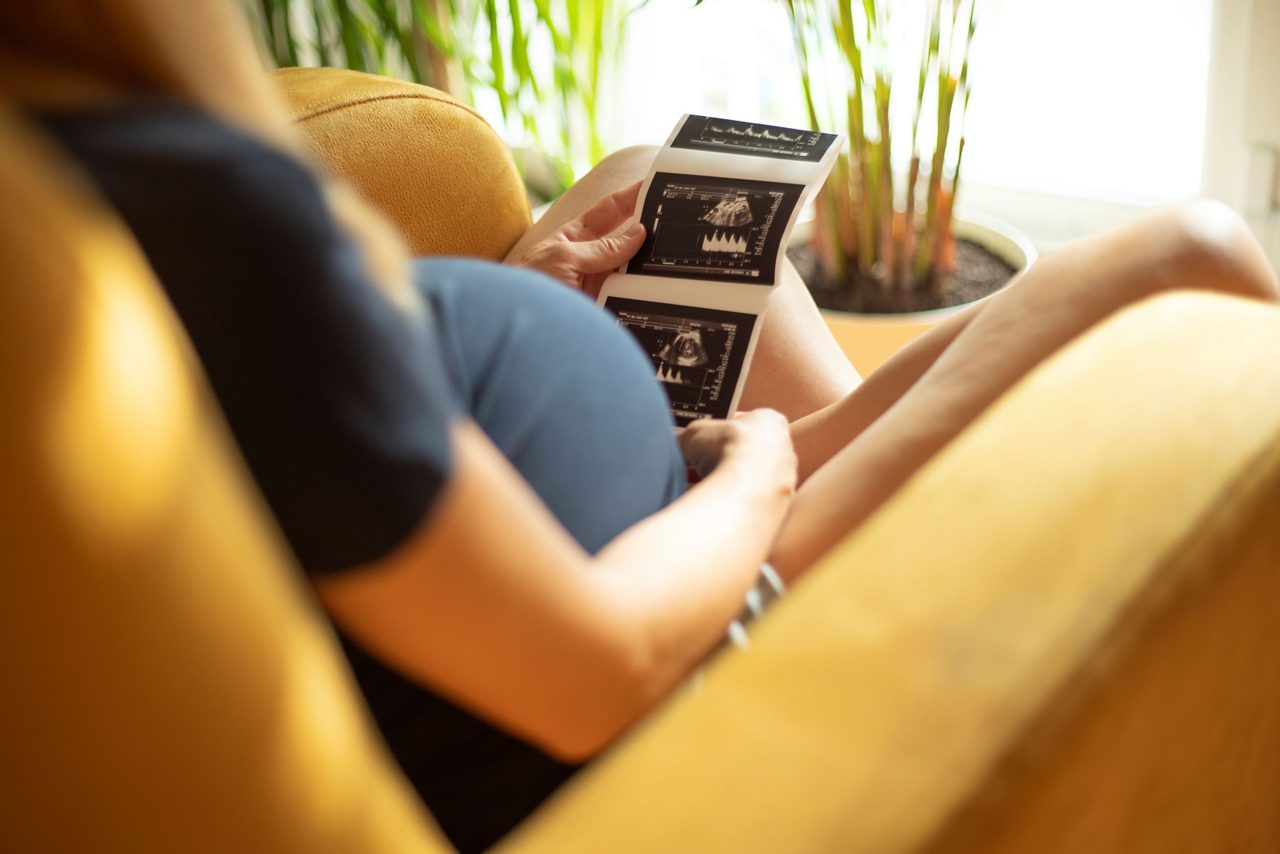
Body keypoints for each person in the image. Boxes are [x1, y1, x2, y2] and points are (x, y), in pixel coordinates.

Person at [2, 1, 1276, 850]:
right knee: (1189, 258)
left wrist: (506, 317)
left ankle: (885, 436)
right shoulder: (190, 207)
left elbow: (296, 443)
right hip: (656, 630)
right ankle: (895, 461)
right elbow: (589, 668)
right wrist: (759, 477)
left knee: (642, 182)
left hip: (539, 542)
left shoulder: (59, 153)